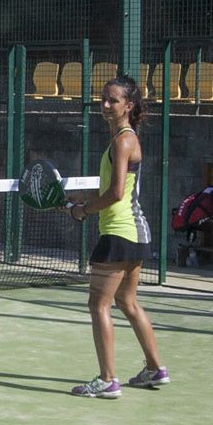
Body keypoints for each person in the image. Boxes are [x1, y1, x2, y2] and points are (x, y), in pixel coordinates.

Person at [63, 74, 168, 398]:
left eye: (113, 100)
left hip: (119, 234)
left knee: (99, 305)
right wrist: (82, 200)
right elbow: (111, 189)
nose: (106, 105)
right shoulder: (123, 140)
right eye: (103, 99)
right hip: (136, 234)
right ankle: (155, 369)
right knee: (127, 302)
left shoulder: (123, 140)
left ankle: (108, 380)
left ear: (129, 106)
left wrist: (85, 211)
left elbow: (117, 193)